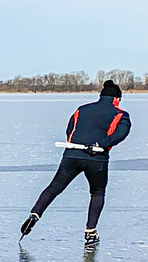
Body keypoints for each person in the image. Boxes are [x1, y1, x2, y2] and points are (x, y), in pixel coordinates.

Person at [21, 80, 130, 246]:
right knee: (97, 193)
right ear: (117, 99)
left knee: (54, 187)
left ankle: (34, 214)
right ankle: (90, 232)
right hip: (96, 159)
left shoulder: (82, 109)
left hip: (71, 155)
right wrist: (101, 145)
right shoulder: (120, 114)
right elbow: (120, 134)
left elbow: (70, 129)